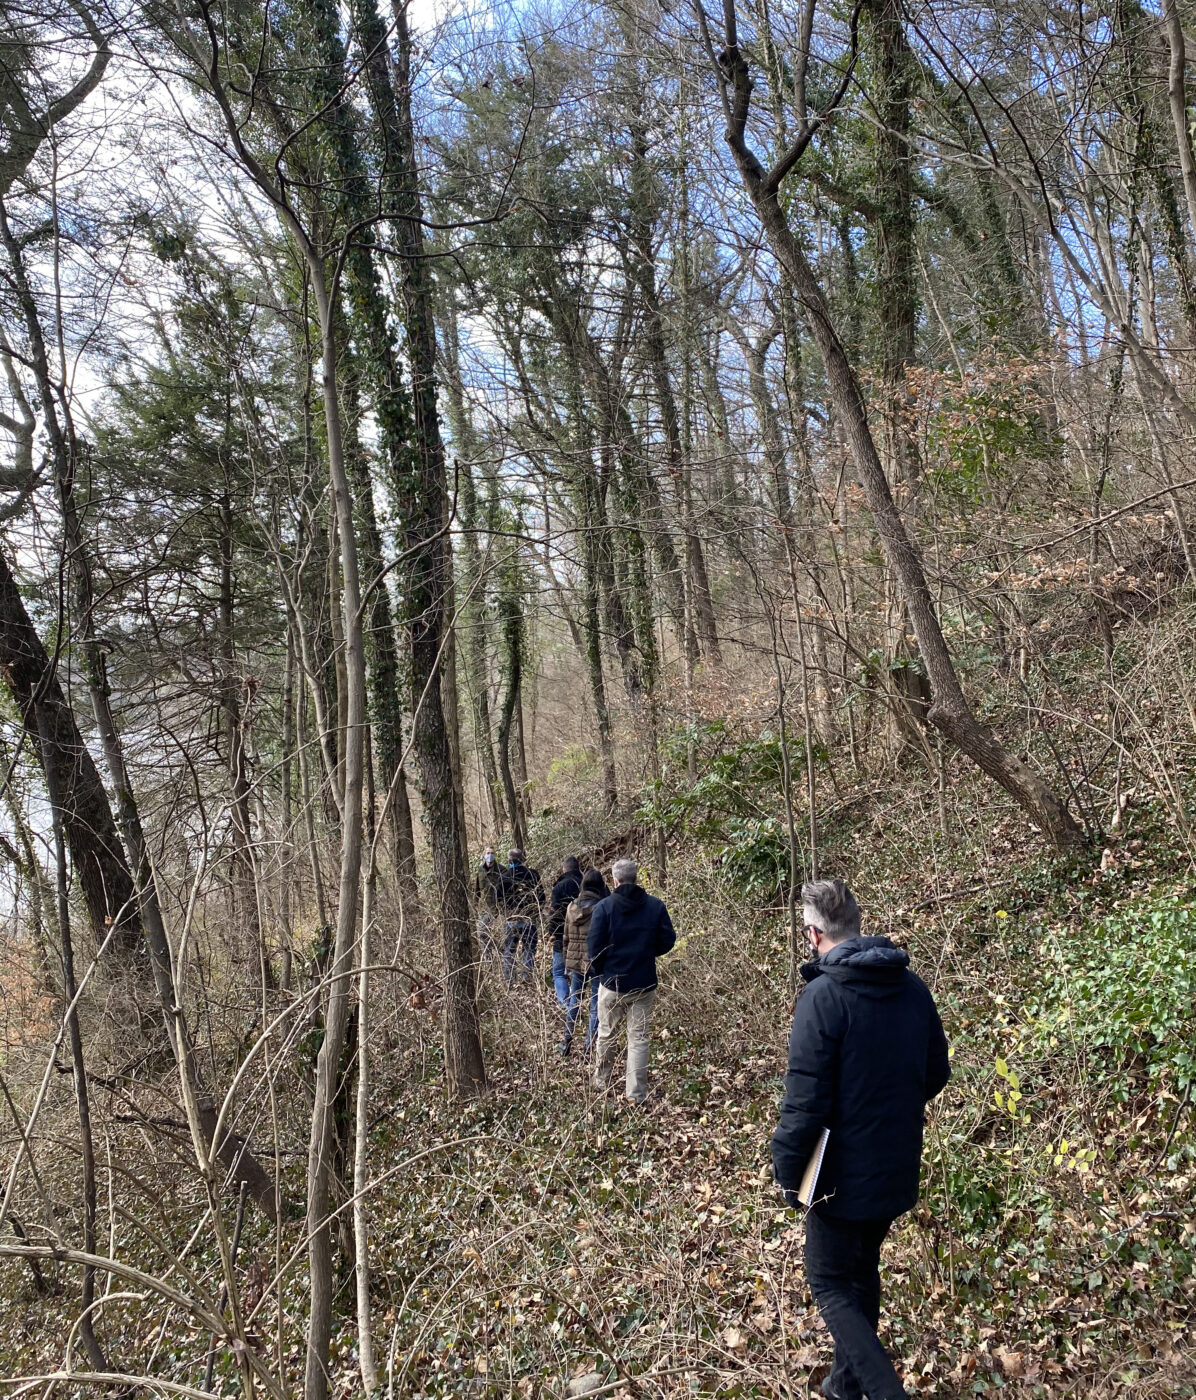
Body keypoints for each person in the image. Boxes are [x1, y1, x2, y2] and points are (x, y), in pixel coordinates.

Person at [771, 878, 950, 1400]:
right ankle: (843, 1387)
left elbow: (803, 1104)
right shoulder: (911, 987)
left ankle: (884, 1392)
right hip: (894, 1164)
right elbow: (935, 1072)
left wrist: (787, 1171)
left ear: (812, 934)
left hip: (839, 1179)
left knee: (829, 1285)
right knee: (860, 1276)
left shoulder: (823, 997)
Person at [587, 858, 675, 1104]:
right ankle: (635, 1094)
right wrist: (647, 953)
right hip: (643, 983)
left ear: (614, 880)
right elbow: (668, 939)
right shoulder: (655, 907)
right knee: (638, 1039)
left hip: (612, 984)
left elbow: (593, 947)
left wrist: (602, 970)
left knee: (606, 1035)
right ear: (636, 878)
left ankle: (601, 1084)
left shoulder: (604, 908)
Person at [559, 866, 609, 1056]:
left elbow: (565, 938)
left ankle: (566, 1041)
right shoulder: (602, 907)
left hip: (575, 962)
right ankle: (590, 1045)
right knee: (595, 1004)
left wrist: (566, 961)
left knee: (575, 1000)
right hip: (595, 961)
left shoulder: (571, 907)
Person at [500, 847, 543, 985]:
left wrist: (505, 912)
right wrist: (536, 911)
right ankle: (526, 977)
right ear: (523, 859)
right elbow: (541, 896)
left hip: (511, 920)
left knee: (509, 951)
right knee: (528, 949)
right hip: (528, 919)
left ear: (509, 860)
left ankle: (509, 981)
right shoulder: (533, 875)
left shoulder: (504, 878)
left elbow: (497, 901)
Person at [546, 855, 582, 1006]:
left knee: (559, 972)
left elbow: (554, 912)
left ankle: (565, 1004)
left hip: (561, 935)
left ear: (564, 869)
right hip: (583, 936)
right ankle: (576, 1003)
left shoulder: (559, 887)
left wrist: (551, 932)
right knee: (577, 972)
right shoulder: (586, 883)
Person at [474, 845, 503, 964]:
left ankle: (500, 952)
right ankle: (489, 960)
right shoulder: (480, 870)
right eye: (487, 853)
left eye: (492, 853)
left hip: (499, 909)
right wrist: (474, 906)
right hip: (485, 908)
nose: (490, 855)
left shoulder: (502, 870)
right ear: (483, 855)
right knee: (482, 934)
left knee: (487, 933)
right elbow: (477, 890)